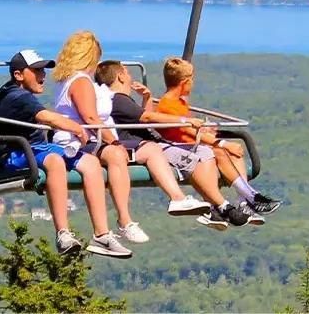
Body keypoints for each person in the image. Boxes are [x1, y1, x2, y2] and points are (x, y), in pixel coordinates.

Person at [51, 31, 208, 244]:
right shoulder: (80, 81)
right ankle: (123, 221)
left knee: (151, 149)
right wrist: (112, 140)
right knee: (117, 154)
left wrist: (142, 98)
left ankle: (177, 198)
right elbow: (90, 117)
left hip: (92, 138)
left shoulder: (78, 81)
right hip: (81, 141)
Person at [0, 49, 132, 258]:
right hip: (15, 153)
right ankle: (63, 233)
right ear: (19, 75)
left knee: (91, 163)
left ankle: (101, 234)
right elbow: (48, 118)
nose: (42, 76)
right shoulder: (16, 96)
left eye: (43, 71)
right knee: (55, 161)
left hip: (36, 149)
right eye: (36, 71)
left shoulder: (21, 96)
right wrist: (77, 128)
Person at [95, 60, 255, 230]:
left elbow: (143, 119)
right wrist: (186, 121)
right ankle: (222, 205)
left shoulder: (123, 101)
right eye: (126, 72)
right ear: (120, 76)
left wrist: (147, 98)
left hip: (154, 143)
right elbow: (147, 118)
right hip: (146, 147)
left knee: (205, 153)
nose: (130, 75)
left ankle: (223, 204)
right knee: (198, 158)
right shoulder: (118, 100)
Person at [156, 57, 283, 217]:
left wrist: (210, 133)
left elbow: (192, 131)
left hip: (190, 145)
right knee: (222, 151)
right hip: (179, 148)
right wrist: (222, 143)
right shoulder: (167, 105)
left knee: (234, 152)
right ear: (185, 82)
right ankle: (251, 198)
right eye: (192, 80)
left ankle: (244, 202)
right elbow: (189, 132)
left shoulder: (179, 103)